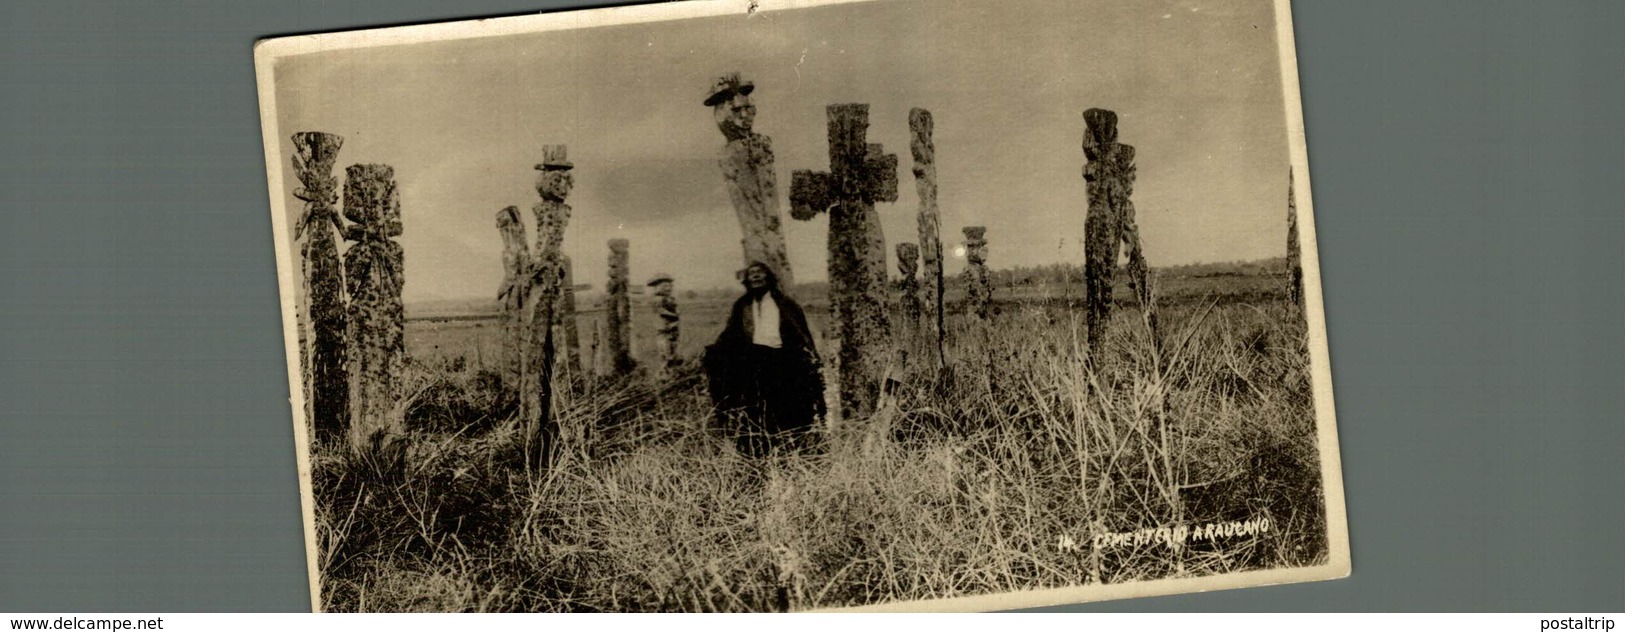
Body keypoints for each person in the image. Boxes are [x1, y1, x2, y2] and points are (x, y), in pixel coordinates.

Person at [702, 262, 826, 457]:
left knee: (785, 405)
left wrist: (811, 358)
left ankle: (789, 445)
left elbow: (800, 333)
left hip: (781, 361)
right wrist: (714, 351)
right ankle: (758, 447)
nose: (756, 277)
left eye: (760, 273)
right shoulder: (742, 305)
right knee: (755, 406)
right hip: (753, 362)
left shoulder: (785, 304)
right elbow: (731, 334)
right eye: (752, 274)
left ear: (769, 277)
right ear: (747, 281)